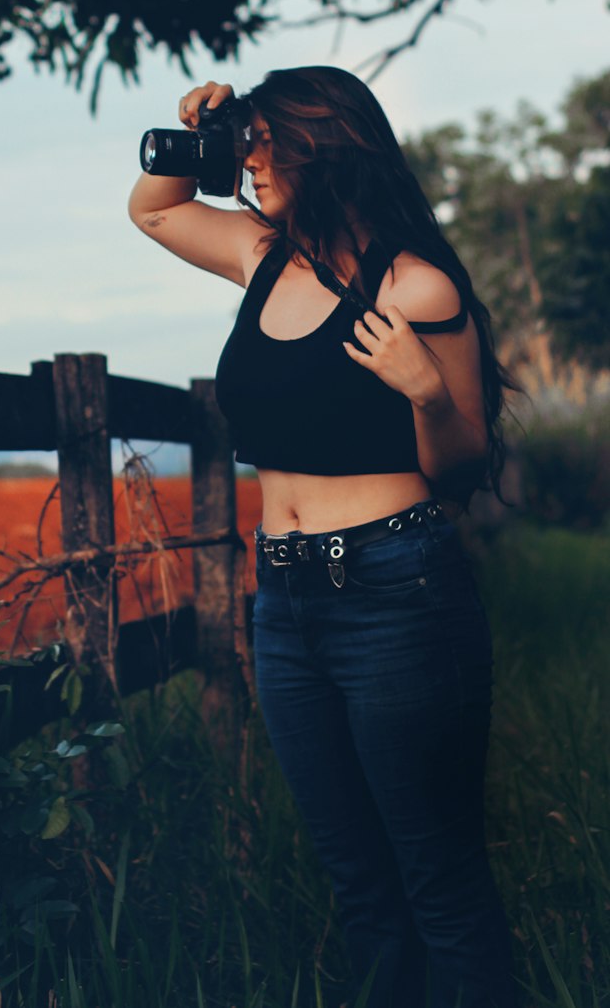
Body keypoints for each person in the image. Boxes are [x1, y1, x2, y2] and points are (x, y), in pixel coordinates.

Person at [128, 67, 519, 1008]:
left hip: (397, 593)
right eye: (247, 146)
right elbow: (152, 210)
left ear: (325, 148)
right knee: (358, 882)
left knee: (439, 881)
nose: (251, 164)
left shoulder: (416, 285)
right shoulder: (261, 256)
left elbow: (462, 469)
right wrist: (208, 127)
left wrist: (423, 388)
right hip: (287, 601)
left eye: (266, 144)